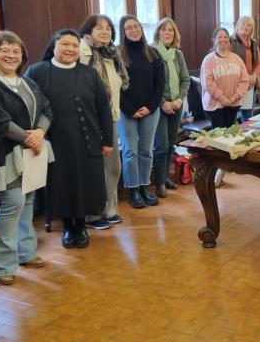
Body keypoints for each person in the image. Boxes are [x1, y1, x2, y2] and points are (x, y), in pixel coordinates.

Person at [0, 31, 53, 286]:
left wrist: (39, 132)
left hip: (32, 152)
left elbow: (47, 108)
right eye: (4, 50)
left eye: (16, 51)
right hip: (6, 153)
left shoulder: (25, 81)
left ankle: (26, 252)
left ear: (22, 56)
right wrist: (28, 138)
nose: (10, 55)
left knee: (27, 200)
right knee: (12, 204)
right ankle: (1, 265)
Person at [26, 29, 113, 249]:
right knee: (60, 184)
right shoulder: (37, 71)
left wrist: (107, 140)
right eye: (65, 44)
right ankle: (67, 228)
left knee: (85, 183)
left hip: (87, 138)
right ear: (53, 47)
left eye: (75, 45)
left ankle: (81, 227)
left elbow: (103, 108)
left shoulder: (89, 73)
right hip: (54, 140)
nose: (70, 49)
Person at [78, 14, 129, 229]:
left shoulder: (111, 54)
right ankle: (93, 214)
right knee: (94, 169)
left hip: (111, 118)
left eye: (108, 28)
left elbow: (120, 85)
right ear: (88, 30)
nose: (105, 31)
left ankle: (109, 209)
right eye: (99, 28)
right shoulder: (83, 51)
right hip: (90, 121)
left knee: (113, 167)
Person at [117, 15, 165, 208]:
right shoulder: (117, 55)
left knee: (146, 150)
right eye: (129, 28)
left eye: (136, 26)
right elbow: (116, 86)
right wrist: (129, 109)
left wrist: (151, 106)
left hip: (150, 110)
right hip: (126, 111)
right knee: (130, 151)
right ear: (123, 32)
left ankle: (145, 187)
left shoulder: (152, 53)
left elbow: (160, 84)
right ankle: (133, 190)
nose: (134, 30)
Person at [151, 18, 190, 198]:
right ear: (158, 32)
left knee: (170, 145)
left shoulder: (178, 55)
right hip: (159, 107)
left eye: (171, 30)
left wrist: (179, 100)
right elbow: (150, 83)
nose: (168, 33)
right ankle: (159, 183)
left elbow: (185, 80)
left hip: (176, 105)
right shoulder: (151, 53)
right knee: (161, 145)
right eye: (164, 30)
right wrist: (163, 102)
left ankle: (165, 177)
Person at [200, 27, 250, 128]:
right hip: (215, 105)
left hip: (233, 103)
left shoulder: (237, 59)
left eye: (226, 37)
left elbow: (244, 81)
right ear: (214, 40)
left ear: (229, 40)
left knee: (230, 135)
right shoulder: (208, 60)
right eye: (219, 37)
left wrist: (234, 97)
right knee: (218, 137)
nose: (223, 39)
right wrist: (222, 99)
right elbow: (208, 83)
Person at [230, 16, 260, 122]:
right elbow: (229, 63)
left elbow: (259, 64)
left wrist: (253, 76)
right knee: (232, 118)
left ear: (252, 29)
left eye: (249, 25)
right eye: (243, 23)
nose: (245, 27)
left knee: (248, 118)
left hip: (250, 85)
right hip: (234, 85)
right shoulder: (230, 41)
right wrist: (245, 77)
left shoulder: (253, 43)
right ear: (238, 25)